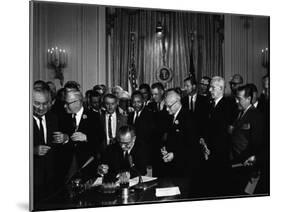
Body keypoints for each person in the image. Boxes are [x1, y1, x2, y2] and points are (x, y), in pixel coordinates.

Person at [57, 90, 105, 184]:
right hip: (68, 167)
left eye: (67, 103)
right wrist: (65, 139)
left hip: (87, 166)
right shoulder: (63, 117)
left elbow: (100, 139)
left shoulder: (93, 116)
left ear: (78, 102)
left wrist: (87, 138)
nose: (65, 106)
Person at [229, 84, 264, 195]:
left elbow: (257, 143)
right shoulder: (240, 113)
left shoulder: (256, 116)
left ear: (249, 99)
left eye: (239, 99)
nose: (236, 101)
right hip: (236, 164)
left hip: (246, 166)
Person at [203, 76, 233, 197]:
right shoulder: (210, 104)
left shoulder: (228, 105)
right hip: (210, 152)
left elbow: (224, 132)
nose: (210, 90)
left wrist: (210, 149)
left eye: (212, 87)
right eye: (210, 87)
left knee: (220, 189)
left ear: (221, 88)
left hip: (220, 154)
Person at [161, 90, 200, 179]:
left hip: (185, 167)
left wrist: (175, 154)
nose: (167, 109)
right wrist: (165, 149)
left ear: (177, 102)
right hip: (173, 166)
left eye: (169, 106)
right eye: (166, 106)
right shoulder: (170, 116)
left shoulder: (189, 117)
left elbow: (192, 145)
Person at [32, 87, 61, 202]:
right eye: (37, 103)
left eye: (45, 104)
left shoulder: (53, 118)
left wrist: (64, 139)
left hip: (50, 178)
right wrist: (32, 151)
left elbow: (57, 149)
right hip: (30, 179)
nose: (41, 108)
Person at [128, 91, 156, 165]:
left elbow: (150, 137)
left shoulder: (150, 115)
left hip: (145, 154)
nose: (136, 105)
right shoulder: (130, 116)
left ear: (143, 101)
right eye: (134, 102)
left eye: (138, 102)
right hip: (132, 154)